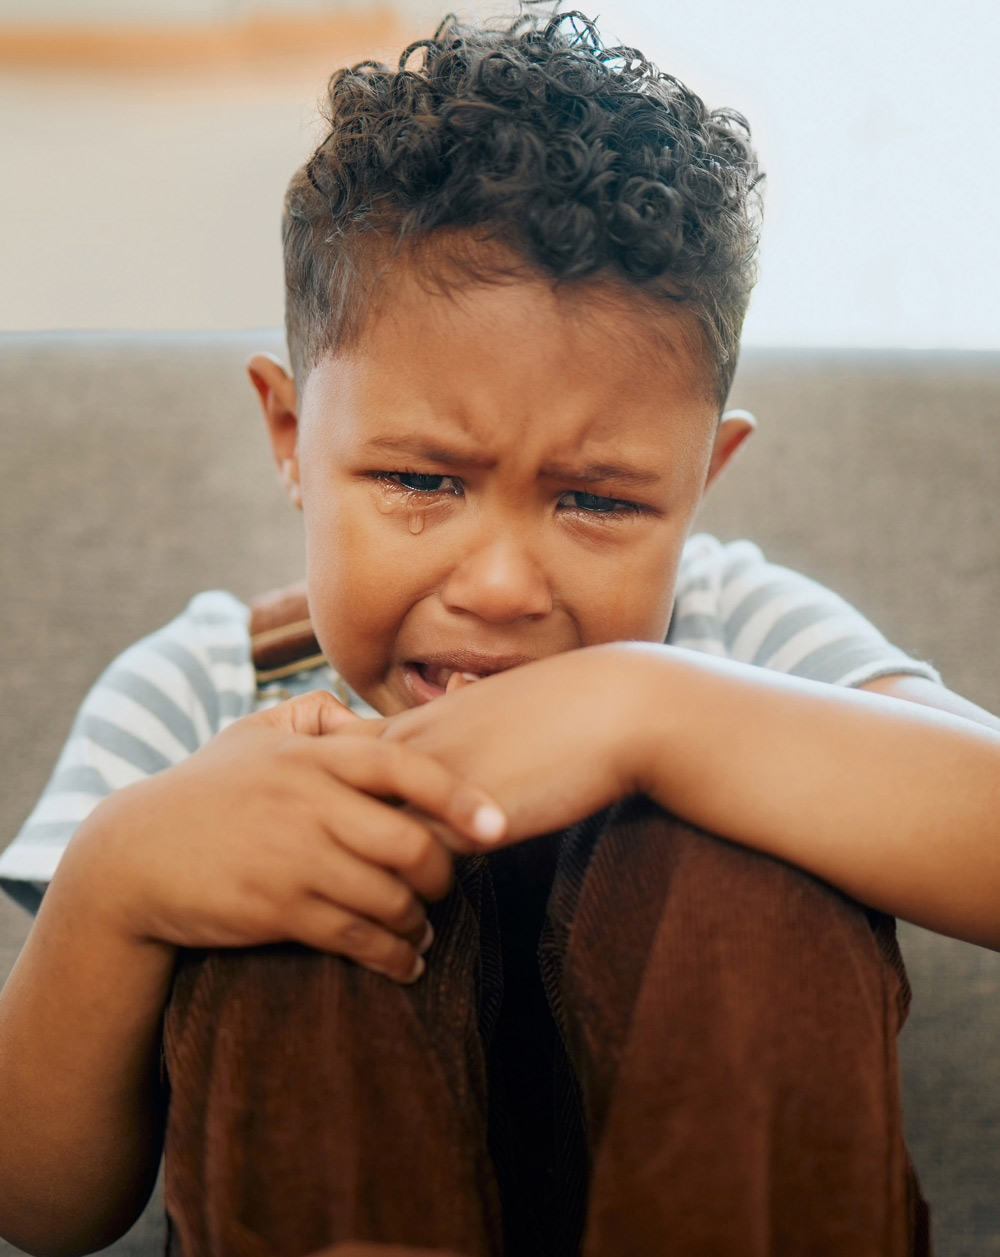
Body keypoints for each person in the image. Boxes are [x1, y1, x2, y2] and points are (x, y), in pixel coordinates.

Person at [1, 9, 999, 1257]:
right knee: (281, 865)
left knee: (757, 849)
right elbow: (40, 1208)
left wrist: (654, 707)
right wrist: (118, 883)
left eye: (598, 501)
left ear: (701, 481)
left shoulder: (736, 632)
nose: (501, 583)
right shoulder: (198, 688)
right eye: (421, 482)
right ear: (288, 436)